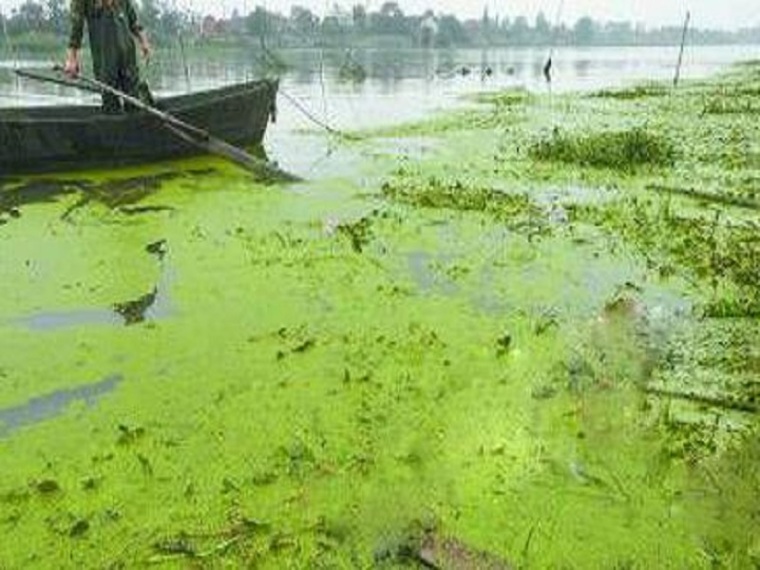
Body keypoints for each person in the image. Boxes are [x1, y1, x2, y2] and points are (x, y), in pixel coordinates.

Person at [64, 0, 153, 113]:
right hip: (105, 61)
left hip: (127, 57)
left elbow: (134, 21)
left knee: (134, 101)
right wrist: (72, 59)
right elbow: (76, 25)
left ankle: (135, 122)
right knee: (110, 104)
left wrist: (144, 43)